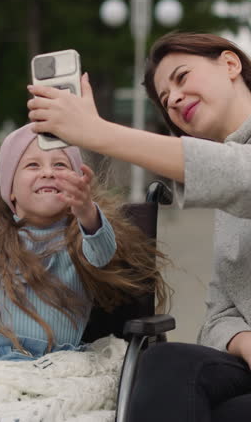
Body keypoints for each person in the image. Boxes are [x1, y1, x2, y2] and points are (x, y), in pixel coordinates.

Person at [27, 31, 251, 420]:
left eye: (181, 77)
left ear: (231, 64)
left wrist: (97, 133)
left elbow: (240, 175)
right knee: (166, 363)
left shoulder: (233, 175)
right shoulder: (227, 207)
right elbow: (219, 315)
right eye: (165, 100)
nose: (175, 100)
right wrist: (245, 342)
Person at [0, 123, 168, 362]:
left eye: (60, 165)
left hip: (55, 364)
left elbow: (102, 252)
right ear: (10, 189)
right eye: (33, 165)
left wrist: (86, 211)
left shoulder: (79, 237)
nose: (48, 172)